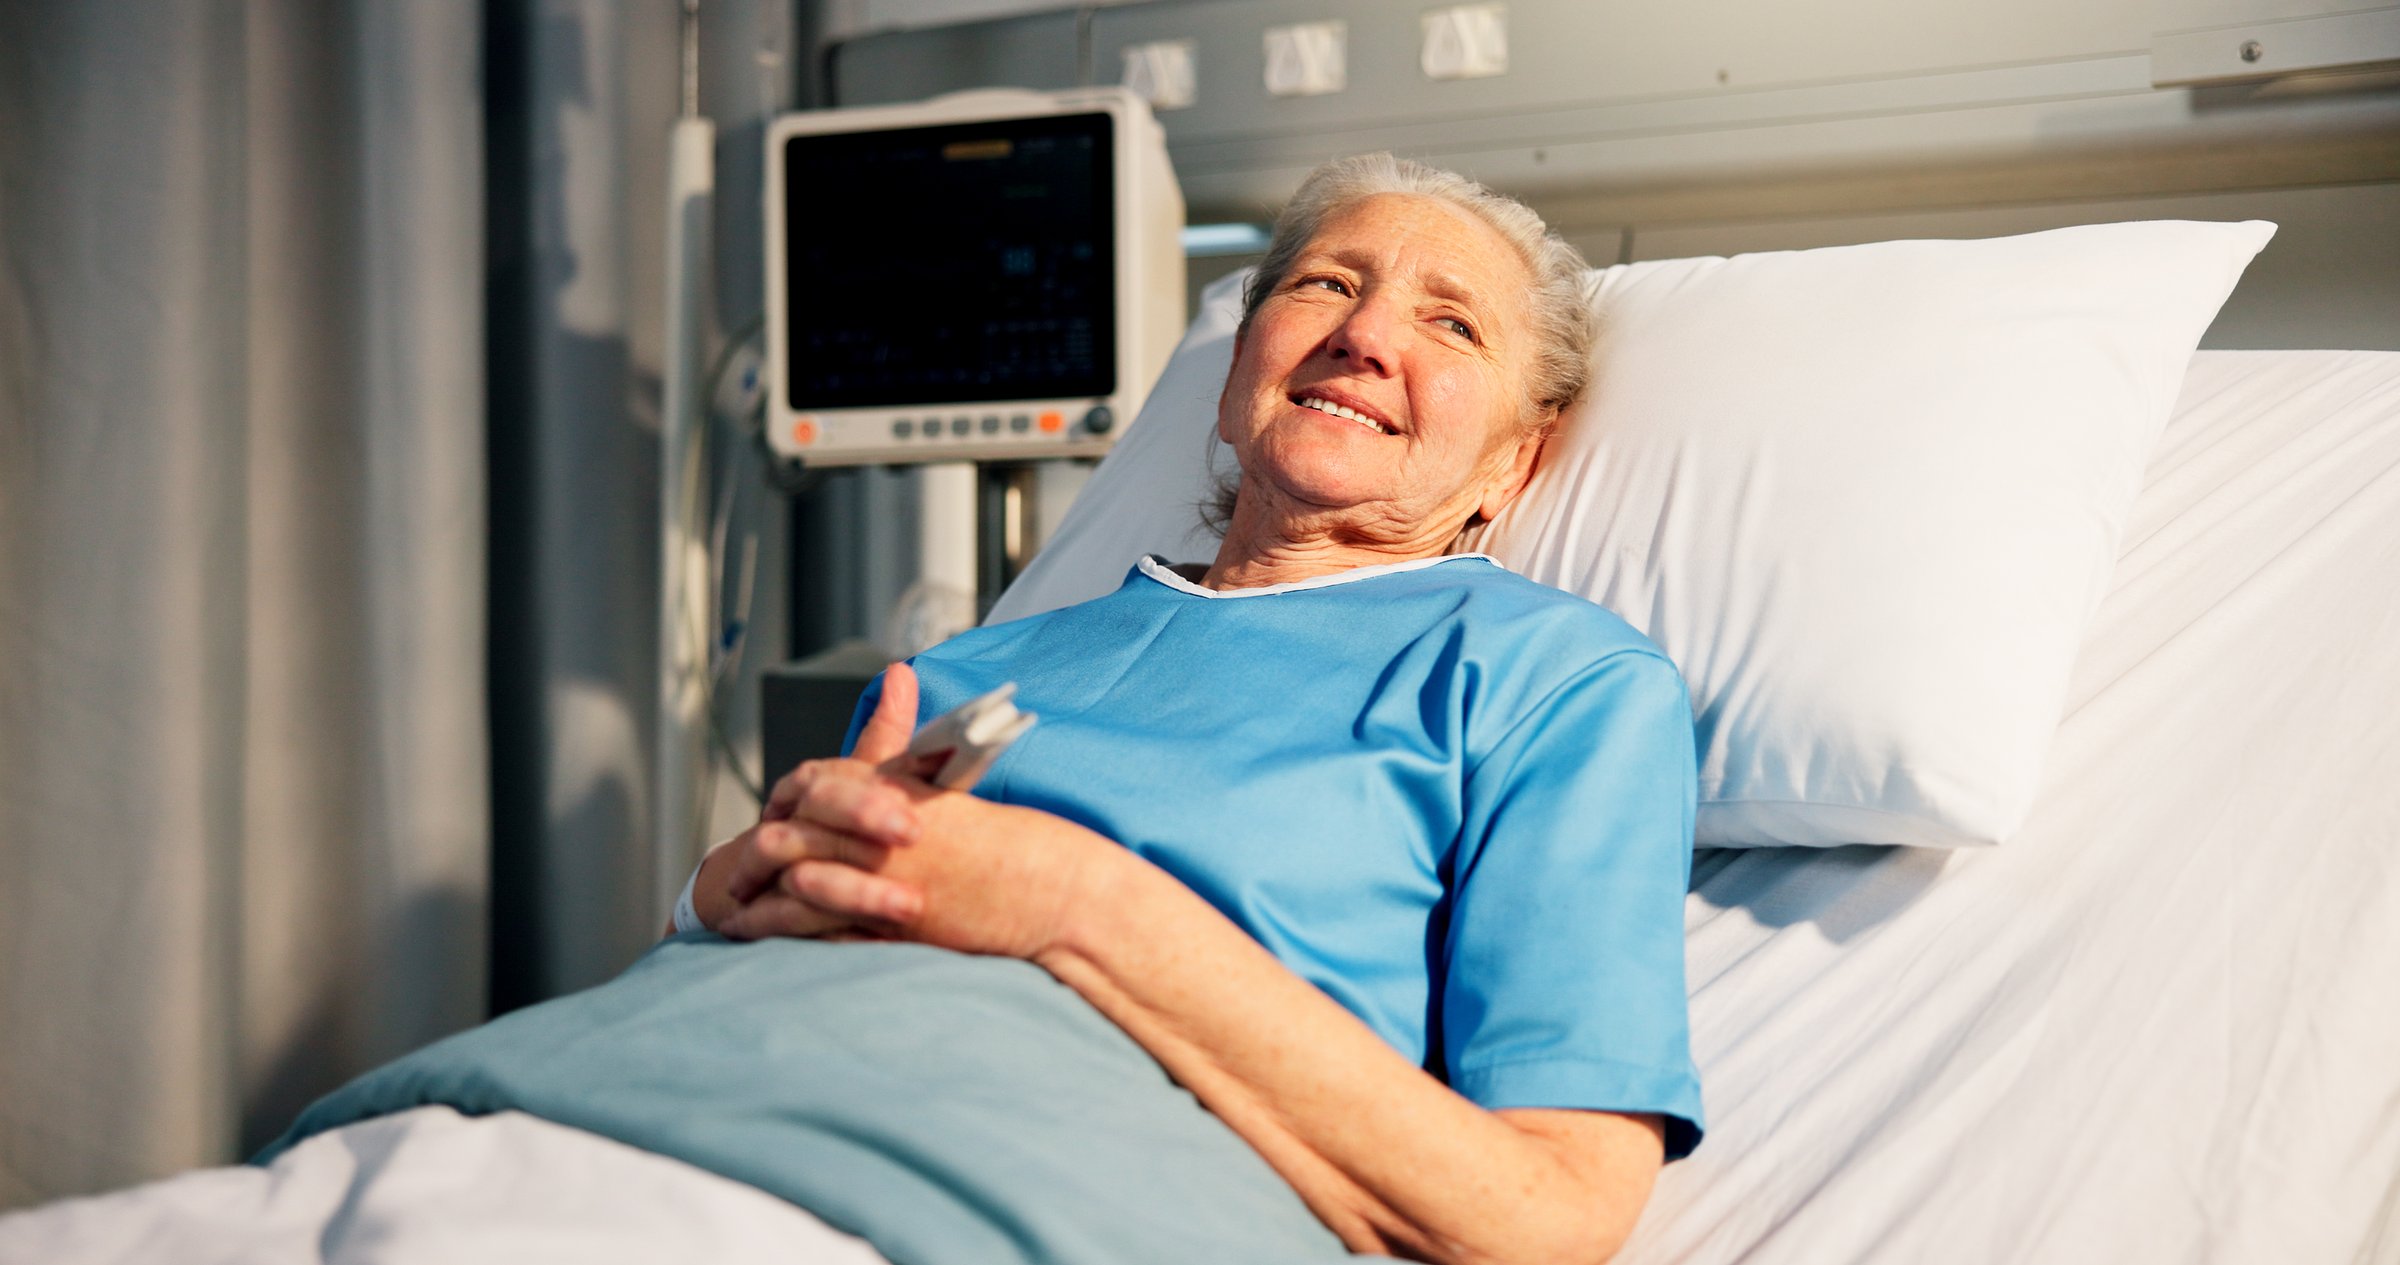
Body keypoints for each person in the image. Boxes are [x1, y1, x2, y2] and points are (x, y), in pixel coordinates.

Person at [681, 153, 1701, 1265]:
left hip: (1023, 1193)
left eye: (1453, 325)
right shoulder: (955, 676)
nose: (1364, 334)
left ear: (1515, 458)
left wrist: (1062, 901)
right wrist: (725, 887)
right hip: (682, 1100)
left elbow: (1546, 1208)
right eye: (1324, 284)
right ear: (1231, 378)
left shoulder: (1555, 682)